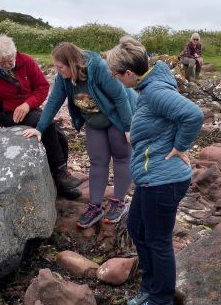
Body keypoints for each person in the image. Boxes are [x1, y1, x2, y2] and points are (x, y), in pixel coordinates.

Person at [106, 36, 204, 305]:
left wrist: (181, 146)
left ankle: (162, 301)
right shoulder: (146, 88)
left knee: (158, 240)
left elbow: (193, 115)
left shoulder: (156, 91)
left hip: (164, 180)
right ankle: (149, 287)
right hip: (151, 178)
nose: (113, 77)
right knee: (137, 228)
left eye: (115, 73)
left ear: (129, 73)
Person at [22, 42, 137, 228]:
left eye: (60, 67)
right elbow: (54, 101)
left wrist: (128, 127)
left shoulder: (99, 69)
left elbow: (120, 97)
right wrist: (40, 128)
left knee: (121, 158)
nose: (58, 71)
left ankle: (119, 202)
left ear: (72, 64)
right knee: (97, 161)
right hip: (94, 121)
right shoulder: (63, 78)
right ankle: (95, 206)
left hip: (118, 118)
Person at [0, 34, 83, 199]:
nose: (8, 64)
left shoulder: (26, 61)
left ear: (15, 53)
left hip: (29, 109)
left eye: (11, 60)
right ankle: (61, 175)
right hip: (6, 115)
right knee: (48, 125)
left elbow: (42, 87)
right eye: (3, 62)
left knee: (58, 134)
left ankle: (60, 176)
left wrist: (28, 104)